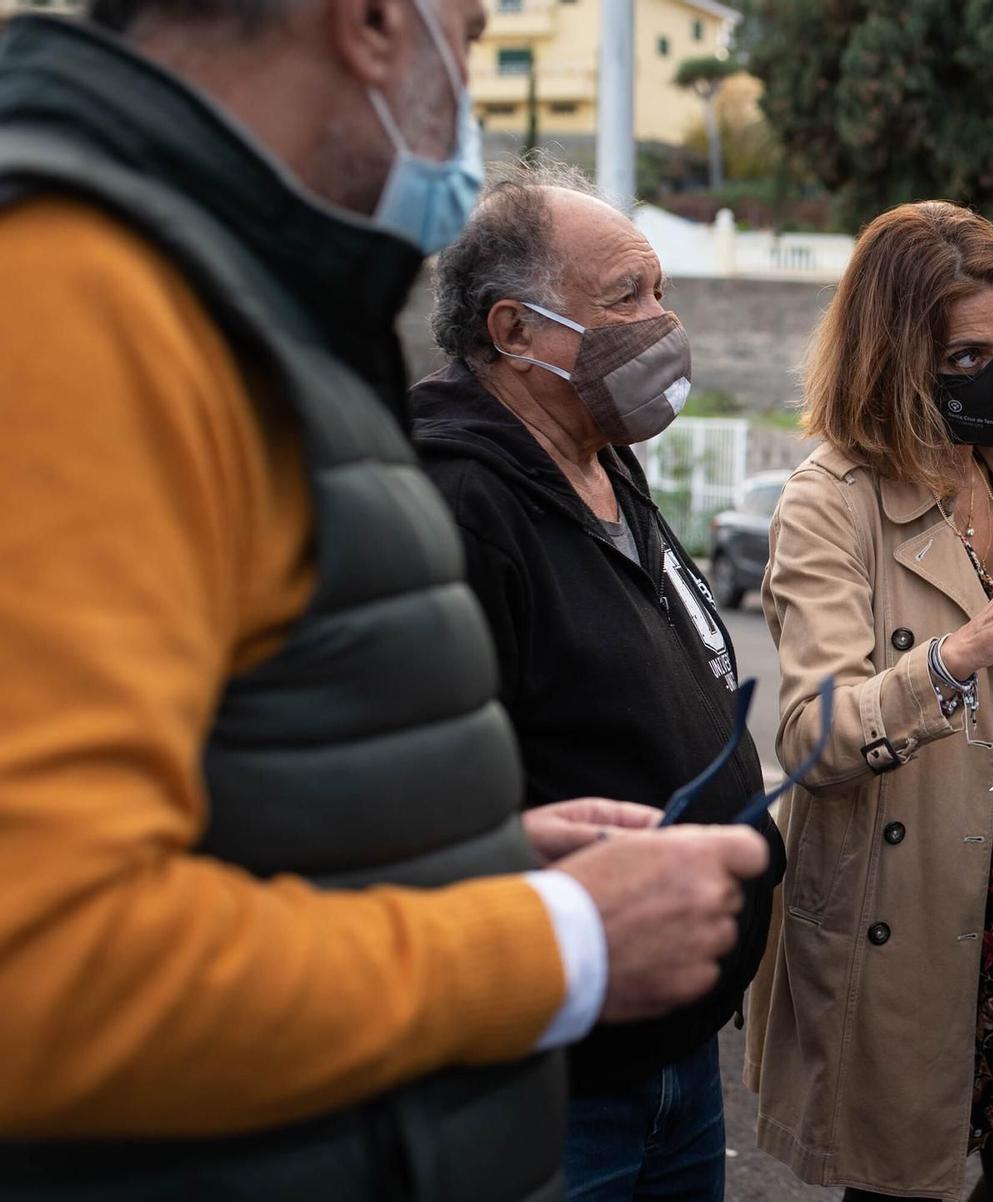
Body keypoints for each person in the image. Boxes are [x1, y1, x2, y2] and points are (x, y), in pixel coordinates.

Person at [0, 3, 765, 1197]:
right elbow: (47, 968)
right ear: (365, 24)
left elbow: (230, 796)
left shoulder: (215, 295)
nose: (464, 87)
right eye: (462, 33)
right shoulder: (78, 288)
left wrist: (469, 855)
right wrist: (554, 939)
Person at [744, 200, 993, 1202]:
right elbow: (811, 734)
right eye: (966, 359)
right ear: (891, 357)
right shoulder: (829, 499)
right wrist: (962, 650)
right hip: (908, 908)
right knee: (900, 1178)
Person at [413, 162, 785, 1202]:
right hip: (558, 1080)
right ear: (513, 330)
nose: (659, 321)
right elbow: (429, 801)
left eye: (659, 289)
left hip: (673, 1055)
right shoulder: (453, 502)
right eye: (625, 295)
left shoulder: (600, 454)